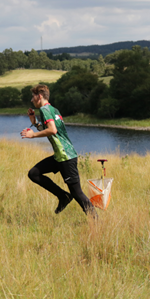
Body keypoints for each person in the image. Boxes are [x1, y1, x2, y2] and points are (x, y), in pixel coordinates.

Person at [20, 84, 97, 218]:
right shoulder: (53, 109)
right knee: (34, 173)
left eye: (33, 97)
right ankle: (63, 197)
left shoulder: (45, 110)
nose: (31, 100)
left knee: (77, 192)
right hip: (60, 156)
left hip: (65, 156)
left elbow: (52, 130)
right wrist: (35, 122)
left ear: (39, 96)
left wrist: (33, 135)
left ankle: (97, 223)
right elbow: (51, 131)